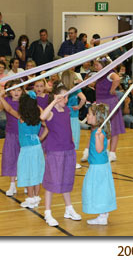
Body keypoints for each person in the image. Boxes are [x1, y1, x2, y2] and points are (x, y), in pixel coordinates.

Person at [40, 84, 82, 227]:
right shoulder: (51, 112)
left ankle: (68, 209)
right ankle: (48, 212)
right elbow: (42, 116)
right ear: (56, 97)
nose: (66, 99)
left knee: (66, 180)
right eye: (63, 96)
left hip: (68, 150)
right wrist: (53, 101)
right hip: (55, 151)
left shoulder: (67, 111)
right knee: (52, 182)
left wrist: (72, 144)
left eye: (67, 96)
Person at [0, 90, 48, 209]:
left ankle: (30, 199)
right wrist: (40, 138)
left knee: (28, 173)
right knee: (36, 172)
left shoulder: (21, 118)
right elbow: (47, 128)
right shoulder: (38, 118)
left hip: (27, 150)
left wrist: (1, 97)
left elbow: (9, 109)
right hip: (37, 148)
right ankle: (36, 197)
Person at [0, 79, 23, 195]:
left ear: (22, 91)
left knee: (23, 159)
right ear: (9, 92)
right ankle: (12, 185)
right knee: (12, 158)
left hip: (24, 134)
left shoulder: (25, 102)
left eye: (19, 90)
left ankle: (26, 183)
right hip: (11, 134)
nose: (16, 92)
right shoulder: (5, 100)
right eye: (13, 90)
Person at [82, 103, 117, 225]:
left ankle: (102, 216)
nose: (87, 115)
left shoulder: (99, 133)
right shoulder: (97, 131)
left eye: (90, 114)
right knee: (100, 189)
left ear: (97, 117)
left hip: (98, 166)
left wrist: (97, 137)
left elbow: (99, 149)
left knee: (98, 189)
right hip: (99, 165)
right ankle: (103, 214)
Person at [94, 57, 126, 162]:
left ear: (104, 65)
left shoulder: (109, 73)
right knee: (101, 128)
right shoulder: (100, 75)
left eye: (97, 65)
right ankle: (104, 150)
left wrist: (112, 90)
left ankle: (112, 153)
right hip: (100, 103)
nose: (95, 67)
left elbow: (117, 78)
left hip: (109, 103)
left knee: (114, 127)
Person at [60, 70, 86, 167]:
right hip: (74, 116)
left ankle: (64, 160)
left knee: (64, 138)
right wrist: (78, 107)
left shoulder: (61, 89)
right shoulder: (76, 88)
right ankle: (73, 162)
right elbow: (83, 99)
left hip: (63, 116)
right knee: (74, 138)